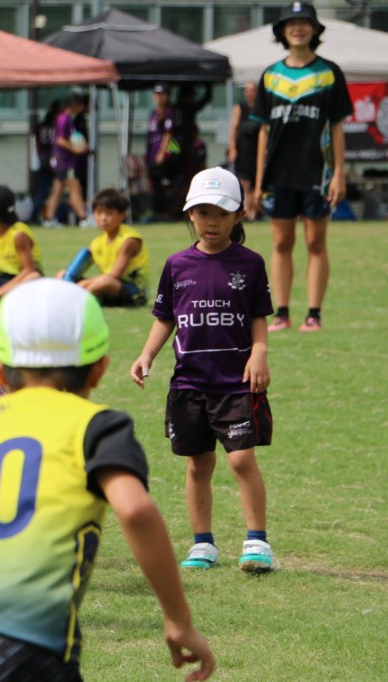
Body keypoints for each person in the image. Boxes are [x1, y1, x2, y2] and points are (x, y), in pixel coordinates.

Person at [0, 277, 216, 681]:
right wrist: (178, 621)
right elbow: (135, 510)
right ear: (100, 369)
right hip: (24, 640)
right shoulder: (97, 427)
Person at [131, 167, 275, 575]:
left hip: (235, 383)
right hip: (190, 383)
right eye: (203, 212)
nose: (212, 221)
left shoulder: (250, 264)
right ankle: (203, 544)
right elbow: (165, 318)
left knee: (242, 460)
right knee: (197, 465)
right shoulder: (177, 265)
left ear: (238, 216)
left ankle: (257, 541)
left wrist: (259, 353)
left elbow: (259, 317)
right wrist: (147, 355)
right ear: (189, 215)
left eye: (221, 213)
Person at [251, 1, 351, 332]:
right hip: (278, 174)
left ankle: (314, 314)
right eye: (291, 23)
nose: (298, 27)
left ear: (315, 29)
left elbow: (336, 127)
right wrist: (257, 181)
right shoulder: (270, 75)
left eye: (304, 22)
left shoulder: (329, 73)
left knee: (315, 242)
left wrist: (338, 172)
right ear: (281, 31)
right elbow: (264, 132)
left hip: (317, 173)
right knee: (280, 243)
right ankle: (281, 313)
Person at [57, 188, 148, 307]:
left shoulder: (129, 240)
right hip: (108, 287)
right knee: (61, 274)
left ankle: (76, 301)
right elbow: (73, 272)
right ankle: (79, 298)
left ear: (122, 215)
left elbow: (115, 275)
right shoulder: (97, 242)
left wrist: (81, 285)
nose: (103, 218)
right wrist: (67, 280)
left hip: (133, 293)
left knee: (105, 282)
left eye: (109, 213)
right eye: (99, 212)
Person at [43, 94, 93, 228]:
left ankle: (48, 219)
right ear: (74, 105)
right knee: (75, 188)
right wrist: (75, 149)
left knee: (57, 190)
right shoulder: (64, 119)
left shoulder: (65, 119)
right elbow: (60, 140)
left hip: (60, 161)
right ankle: (84, 218)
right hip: (65, 161)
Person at [227, 82, 260, 221]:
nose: (249, 94)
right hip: (244, 149)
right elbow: (233, 128)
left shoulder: (260, 107)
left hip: (257, 150)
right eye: (247, 91)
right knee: (244, 182)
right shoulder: (240, 107)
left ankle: (254, 212)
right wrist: (233, 148)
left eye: (252, 91)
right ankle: (248, 212)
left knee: (255, 182)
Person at [147, 84, 180, 221]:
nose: (158, 98)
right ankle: (157, 211)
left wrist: (161, 153)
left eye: (162, 95)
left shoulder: (169, 112)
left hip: (165, 157)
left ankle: (165, 211)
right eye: (156, 95)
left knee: (163, 183)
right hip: (152, 154)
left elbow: (168, 134)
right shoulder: (154, 113)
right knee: (154, 184)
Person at [30, 99, 60, 226]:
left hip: (43, 160)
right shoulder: (57, 125)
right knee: (53, 190)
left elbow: (37, 144)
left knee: (44, 190)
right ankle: (43, 216)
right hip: (56, 161)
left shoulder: (41, 126)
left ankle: (38, 215)